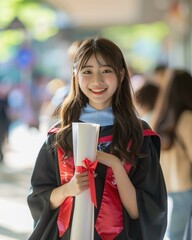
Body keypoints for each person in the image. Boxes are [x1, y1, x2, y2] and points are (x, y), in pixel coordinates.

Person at [27, 36, 167, 240]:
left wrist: (115, 165)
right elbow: (39, 199)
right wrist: (68, 189)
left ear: (121, 74)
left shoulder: (138, 135)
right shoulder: (60, 136)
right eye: (87, 71)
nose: (97, 81)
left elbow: (144, 211)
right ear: (75, 75)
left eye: (106, 70)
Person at [153, 69, 192, 240]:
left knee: (172, 234)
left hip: (166, 188)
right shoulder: (187, 118)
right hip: (184, 187)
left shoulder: (159, 118)